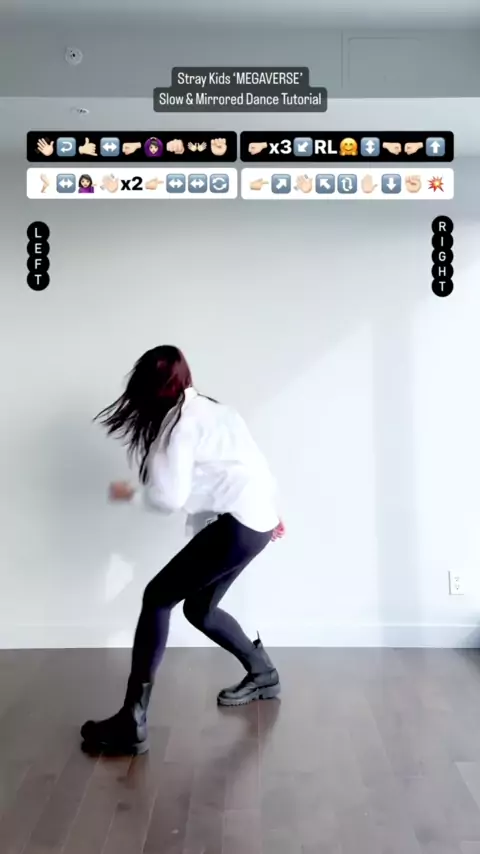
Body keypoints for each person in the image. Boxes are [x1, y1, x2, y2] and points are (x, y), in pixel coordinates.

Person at [81, 345, 285, 755]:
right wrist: (271, 513)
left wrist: (129, 493)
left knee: (157, 598)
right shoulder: (216, 410)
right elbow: (252, 464)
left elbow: (169, 498)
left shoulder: (180, 427)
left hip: (238, 525)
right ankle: (262, 672)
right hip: (255, 523)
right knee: (200, 609)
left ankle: (132, 720)